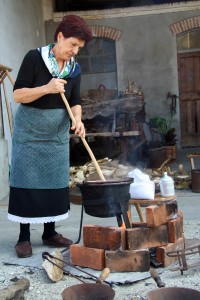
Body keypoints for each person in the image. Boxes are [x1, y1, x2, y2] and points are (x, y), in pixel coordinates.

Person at [8, 15, 92, 258]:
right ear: (60, 37)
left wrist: (78, 119)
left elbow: (75, 102)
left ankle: (49, 233)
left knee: (54, 182)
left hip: (56, 134)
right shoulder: (34, 58)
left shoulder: (74, 69)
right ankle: (24, 237)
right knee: (27, 181)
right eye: (72, 44)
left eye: (79, 48)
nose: (74, 51)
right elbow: (18, 95)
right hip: (30, 133)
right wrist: (47, 87)